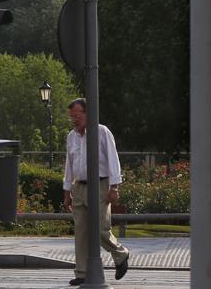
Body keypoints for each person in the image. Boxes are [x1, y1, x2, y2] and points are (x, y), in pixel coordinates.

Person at [63, 98, 130, 286]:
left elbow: (112, 158)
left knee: (100, 228)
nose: (75, 120)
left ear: (88, 113)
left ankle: (120, 254)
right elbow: (69, 164)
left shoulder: (101, 131)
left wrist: (114, 187)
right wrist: (67, 190)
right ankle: (82, 272)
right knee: (81, 230)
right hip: (79, 186)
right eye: (72, 117)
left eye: (77, 115)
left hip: (100, 185)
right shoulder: (71, 136)